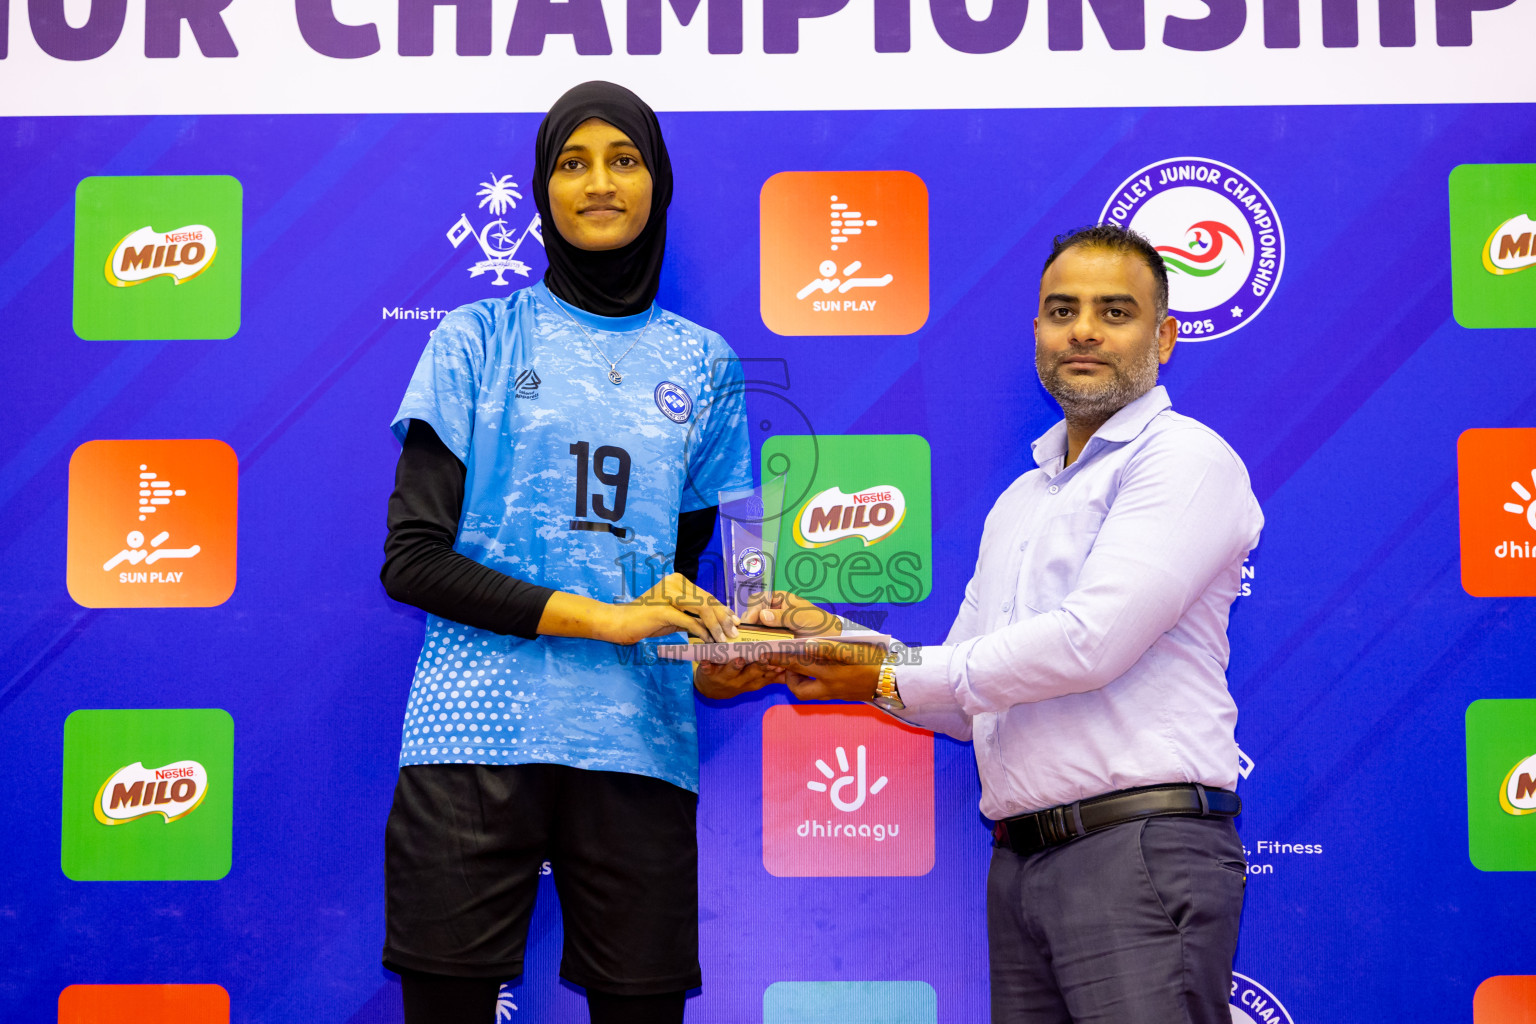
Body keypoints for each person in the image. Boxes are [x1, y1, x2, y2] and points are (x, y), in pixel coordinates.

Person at [713, 223, 1264, 1023]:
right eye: (1061, 309)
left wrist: (882, 671)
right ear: (1037, 333)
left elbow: (1090, 640)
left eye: (1115, 311)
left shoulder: (1184, 459)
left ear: (1165, 337)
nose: (1083, 329)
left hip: (1138, 850)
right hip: (1020, 865)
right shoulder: (1021, 500)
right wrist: (831, 636)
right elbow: (966, 694)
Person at [379, 81, 751, 1024]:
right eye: (571, 163)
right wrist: (607, 618)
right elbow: (412, 561)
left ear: (657, 186)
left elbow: (686, 578)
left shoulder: (706, 364)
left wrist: (725, 645)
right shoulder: (474, 338)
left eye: (623, 161)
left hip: (638, 742)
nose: (598, 184)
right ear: (542, 191)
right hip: (473, 735)